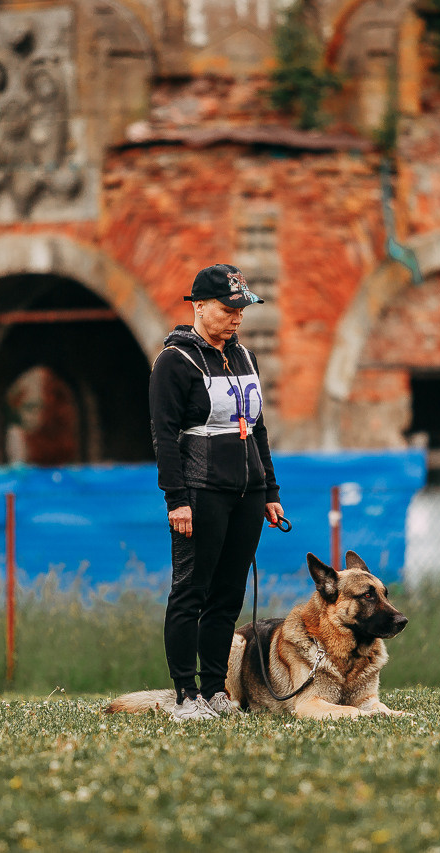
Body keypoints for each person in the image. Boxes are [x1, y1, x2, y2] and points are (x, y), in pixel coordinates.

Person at [149, 263, 285, 721]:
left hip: (246, 495)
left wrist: (269, 489)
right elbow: (164, 437)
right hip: (201, 493)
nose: (236, 318)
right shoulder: (174, 361)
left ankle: (215, 690)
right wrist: (177, 499)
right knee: (191, 593)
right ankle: (185, 695)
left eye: (241, 310)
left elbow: (258, 427)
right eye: (228, 309)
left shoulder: (245, 357)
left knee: (228, 596)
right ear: (199, 306)